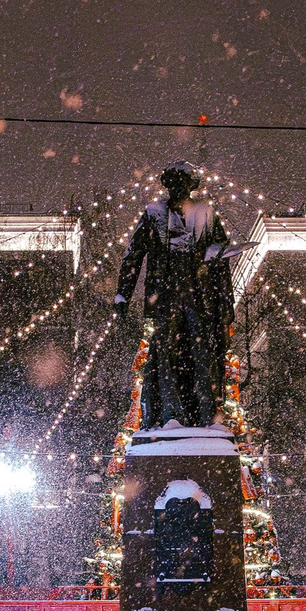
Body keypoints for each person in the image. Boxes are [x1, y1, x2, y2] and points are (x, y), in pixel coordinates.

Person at [111, 162, 239, 428]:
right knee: (166, 355)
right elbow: (133, 255)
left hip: (198, 297)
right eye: (173, 182)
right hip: (165, 295)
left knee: (201, 352)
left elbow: (221, 262)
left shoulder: (207, 214)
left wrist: (226, 305)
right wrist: (123, 294)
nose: (177, 187)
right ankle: (171, 413)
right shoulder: (154, 213)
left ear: (191, 186)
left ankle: (207, 413)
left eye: (183, 182)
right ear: (167, 185)